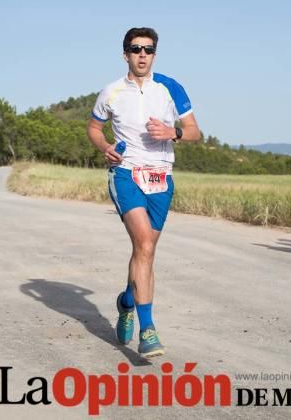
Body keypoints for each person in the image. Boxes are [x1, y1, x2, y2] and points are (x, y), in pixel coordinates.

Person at [87, 27, 201, 358]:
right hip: (126, 174)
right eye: (136, 49)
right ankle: (147, 330)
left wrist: (173, 132)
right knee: (145, 245)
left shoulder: (170, 88)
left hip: (161, 177)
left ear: (154, 54)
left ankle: (126, 301)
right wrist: (105, 146)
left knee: (144, 252)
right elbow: (94, 128)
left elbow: (194, 131)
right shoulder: (111, 92)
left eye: (148, 49)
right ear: (125, 54)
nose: (142, 54)